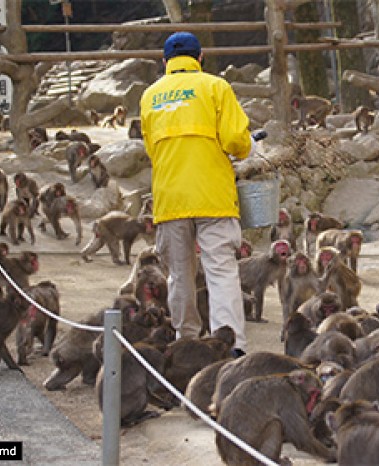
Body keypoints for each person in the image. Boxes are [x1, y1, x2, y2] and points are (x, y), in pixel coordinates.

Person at [139, 31, 254, 357]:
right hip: (212, 196)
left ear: (165, 62)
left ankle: (185, 341)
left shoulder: (150, 96)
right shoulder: (216, 87)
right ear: (200, 58)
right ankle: (232, 347)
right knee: (221, 272)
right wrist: (246, 145)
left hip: (170, 198)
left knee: (179, 275)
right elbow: (236, 141)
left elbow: (151, 148)